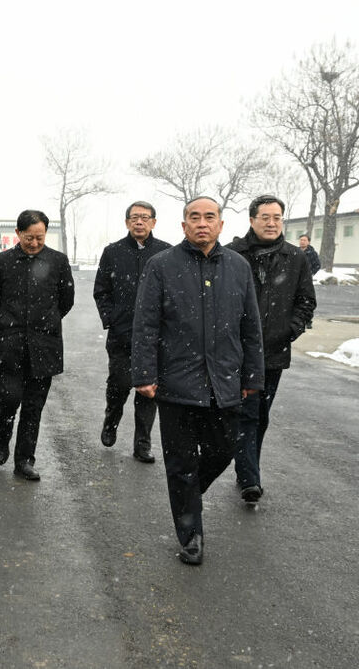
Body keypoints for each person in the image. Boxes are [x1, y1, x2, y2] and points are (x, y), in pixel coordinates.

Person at [132, 196, 264, 565]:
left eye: (209, 217)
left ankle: (187, 495)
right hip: (176, 384)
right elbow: (145, 325)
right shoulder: (161, 266)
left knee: (224, 450)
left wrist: (252, 374)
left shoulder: (238, 267)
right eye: (194, 217)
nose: (202, 223)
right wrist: (144, 374)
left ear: (220, 224)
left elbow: (250, 327)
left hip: (225, 382)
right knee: (180, 463)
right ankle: (191, 535)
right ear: (183, 225)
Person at [227, 195, 315, 502]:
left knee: (260, 415)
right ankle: (250, 478)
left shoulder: (296, 257)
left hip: (273, 353)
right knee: (246, 414)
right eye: (265, 217)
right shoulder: (233, 254)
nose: (271, 223)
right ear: (252, 220)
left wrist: (289, 331)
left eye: (277, 217)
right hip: (237, 352)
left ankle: (246, 467)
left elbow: (306, 301)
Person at [0, 210, 74, 482]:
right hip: (10, 344)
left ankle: (24, 460)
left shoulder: (57, 261)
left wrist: (45, 321)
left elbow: (66, 300)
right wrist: (11, 322)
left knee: (34, 407)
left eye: (39, 238)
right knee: (8, 398)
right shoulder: (2, 262)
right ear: (18, 233)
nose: (34, 243)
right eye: (29, 237)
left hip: (44, 345)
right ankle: (3, 435)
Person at [93, 201, 171, 463]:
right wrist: (111, 319)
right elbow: (101, 290)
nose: (139, 222)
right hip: (122, 333)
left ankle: (142, 444)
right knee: (119, 383)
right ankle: (111, 420)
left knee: (148, 389)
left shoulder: (166, 253)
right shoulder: (113, 252)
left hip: (155, 336)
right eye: (134, 217)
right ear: (127, 222)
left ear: (153, 222)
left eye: (145, 217)